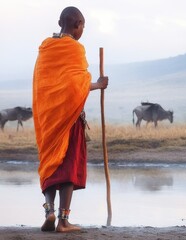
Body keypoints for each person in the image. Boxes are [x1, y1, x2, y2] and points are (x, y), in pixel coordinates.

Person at [32, 6, 108, 233]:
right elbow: (77, 86)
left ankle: (49, 212)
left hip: (47, 120)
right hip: (70, 119)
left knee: (48, 163)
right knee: (67, 165)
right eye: (83, 26)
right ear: (77, 25)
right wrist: (99, 84)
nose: (83, 30)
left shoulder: (46, 48)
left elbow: (41, 85)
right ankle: (63, 221)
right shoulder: (75, 49)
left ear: (59, 22)